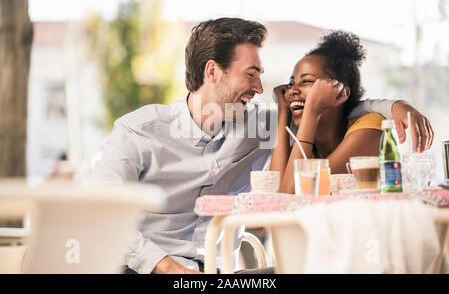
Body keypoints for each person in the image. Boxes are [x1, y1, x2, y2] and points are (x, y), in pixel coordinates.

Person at [89, 17, 433, 274]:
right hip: (146, 270)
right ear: (213, 71)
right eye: (250, 74)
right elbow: (101, 214)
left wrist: (393, 106)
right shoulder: (139, 131)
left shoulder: (259, 124)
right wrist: (165, 266)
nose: (258, 87)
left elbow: (330, 107)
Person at [269, 30, 425, 192]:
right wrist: (283, 112)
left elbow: (290, 194)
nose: (292, 90)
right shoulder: (309, 144)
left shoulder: (369, 129)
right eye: (291, 83)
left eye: (306, 81)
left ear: (340, 92)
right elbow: (272, 196)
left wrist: (312, 111)